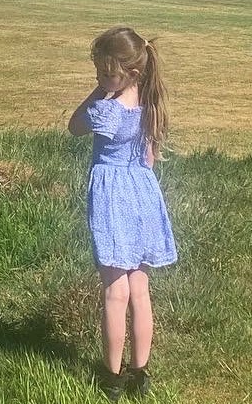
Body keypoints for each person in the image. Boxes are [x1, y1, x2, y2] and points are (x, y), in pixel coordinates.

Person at [68, 26, 178, 400]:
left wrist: (99, 92)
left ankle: (111, 378)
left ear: (129, 72)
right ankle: (140, 373)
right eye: (98, 73)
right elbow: (148, 158)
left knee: (114, 291)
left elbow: (74, 126)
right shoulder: (149, 104)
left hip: (113, 198)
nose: (100, 80)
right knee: (139, 289)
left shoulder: (107, 109)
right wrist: (108, 85)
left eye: (105, 74)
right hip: (144, 194)